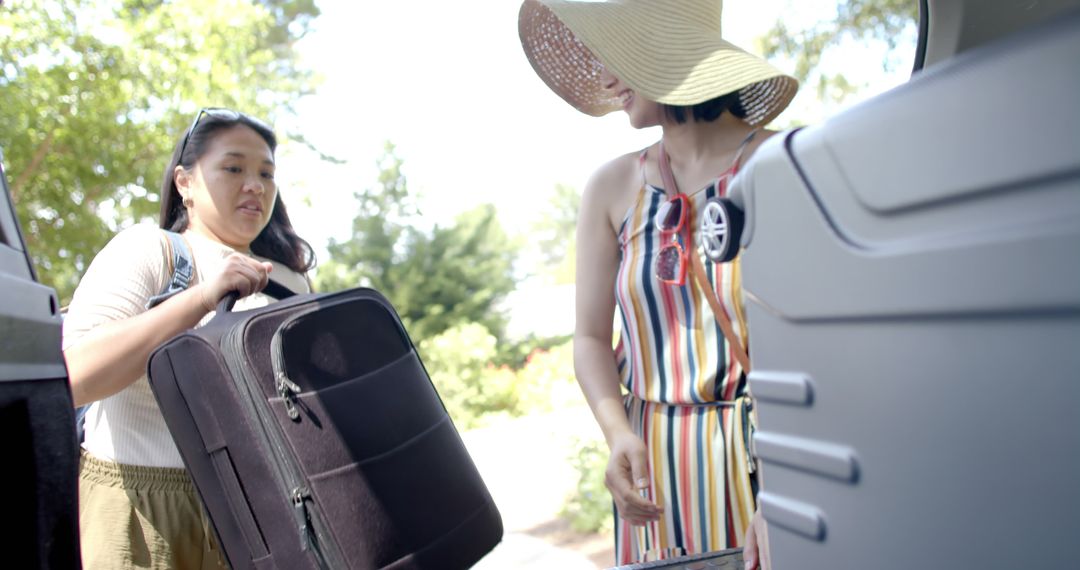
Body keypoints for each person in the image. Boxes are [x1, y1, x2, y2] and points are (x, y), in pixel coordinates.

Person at [518, 1, 798, 567]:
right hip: (658, 473)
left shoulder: (781, 164)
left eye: (615, 52)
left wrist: (789, 489)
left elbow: (814, 345)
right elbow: (591, 339)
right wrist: (618, 434)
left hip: (771, 457)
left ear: (667, 52)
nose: (602, 76)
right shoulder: (613, 187)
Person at [63, 108, 314, 569]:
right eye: (233, 167)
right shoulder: (150, 250)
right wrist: (201, 298)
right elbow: (74, 375)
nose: (255, 185)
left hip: (257, 516)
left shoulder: (291, 285)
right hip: (138, 507)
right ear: (185, 182)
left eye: (266, 173)